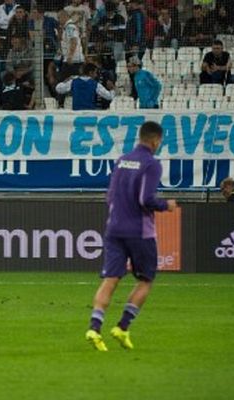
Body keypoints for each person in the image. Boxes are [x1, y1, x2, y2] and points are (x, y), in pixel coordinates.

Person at [86, 121, 177, 352]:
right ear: (156, 140)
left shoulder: (122, 160)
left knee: (111, 279)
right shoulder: (151, 164)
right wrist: (166, 205)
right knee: (146, 280)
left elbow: (110, 196)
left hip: (114, 227)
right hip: (139, 231)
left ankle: (94, 328)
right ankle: (122, 327)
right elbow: (145, 199)